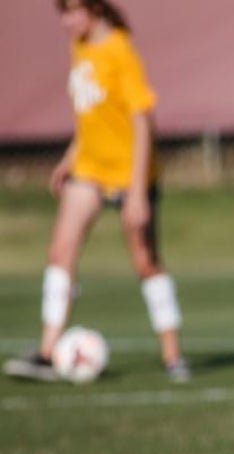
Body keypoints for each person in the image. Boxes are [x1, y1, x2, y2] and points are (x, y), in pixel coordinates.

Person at [4, 0, 189, 383]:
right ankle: (46, 353)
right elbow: (91, 115)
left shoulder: (120, 50)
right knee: (61, 251)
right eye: (63, 14)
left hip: (130, 173)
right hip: (90, 169)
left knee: (146, 262)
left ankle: (173, 356)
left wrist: (137, 193)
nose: (66, 22)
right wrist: (71, 157)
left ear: (94, 10)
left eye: (72, 12)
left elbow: (141, 122)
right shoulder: (80, 47)